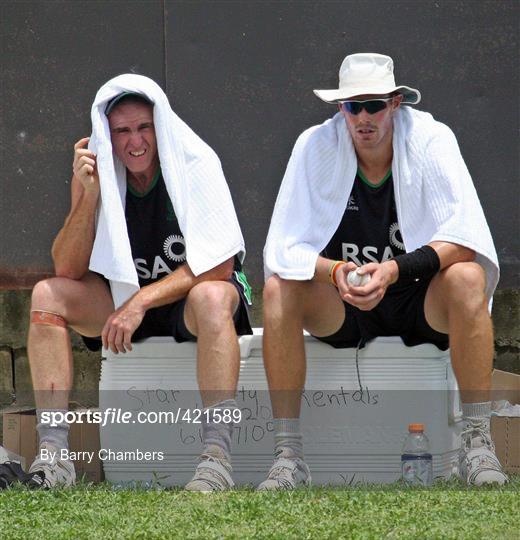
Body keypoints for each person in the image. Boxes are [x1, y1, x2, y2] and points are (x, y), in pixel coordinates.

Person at [261, 53, 507, 489]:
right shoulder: (315, 145)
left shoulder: (432, 138)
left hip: (417, 295)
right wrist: (335, 271)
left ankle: (476, 444)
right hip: (344, 298)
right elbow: (283, 248)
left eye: (374, 104)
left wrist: (394, 269)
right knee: (279, 290)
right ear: (341, 109)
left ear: (396, 103)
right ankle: (288, 455)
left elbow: (466, 236)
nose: (363, 117)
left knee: (468, 277)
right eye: (352, 106)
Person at [27, 74, 252, 491]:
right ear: (106, 135)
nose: (135, 142)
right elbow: (67, 268)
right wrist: (90, 197)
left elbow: (220, 264)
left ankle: (216, 458)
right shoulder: (97, 172)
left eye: (144, 127)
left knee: (214, 296)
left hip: (183, 299)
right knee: (46, 295)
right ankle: (55, 458)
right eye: (122, 131)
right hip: (122, 299)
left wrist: (141, 301)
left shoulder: (196, 161)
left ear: (160, 126)